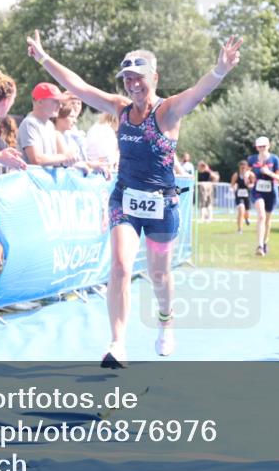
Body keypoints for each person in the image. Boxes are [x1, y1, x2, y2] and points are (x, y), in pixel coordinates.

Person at [26, 29, 242, 367]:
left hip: (161, 206)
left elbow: (198, 93)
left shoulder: (168, 111)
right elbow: (81, 87)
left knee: (159, 274)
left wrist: (221, 70)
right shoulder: (120, 109)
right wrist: (43, 58)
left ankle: (166, 320)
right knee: (121, 266)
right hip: (125, 200)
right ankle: (117, 344)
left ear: (153, 78)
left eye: (138, 78)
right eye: (127, 79)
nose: (132, 84)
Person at [18, 82, 80, 167]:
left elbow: (53, 160)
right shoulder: (29, 123)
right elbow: (37, 159)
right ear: (40, 102)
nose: (60, 105)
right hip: (32, 180)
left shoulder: (50, 125)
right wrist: (65, 157)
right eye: (55, 101)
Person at [248, 136, 279, 256]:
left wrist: (269, 173)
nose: (262, 148)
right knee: (261, 216)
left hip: (271, 192)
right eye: (260, 146)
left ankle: (264, 242)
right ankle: (259, 246)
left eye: (264, 146)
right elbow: (246, 174)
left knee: (268, 220)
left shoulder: (275, 159)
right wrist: (249, 176)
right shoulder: (252, 159)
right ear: (256, 147)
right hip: (257, 191)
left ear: (268, 146)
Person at [231, 159, 253, 232]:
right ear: (239, 167)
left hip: (247, 195)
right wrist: (234, 187)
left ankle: (246, 219)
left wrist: (250, 185)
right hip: (239, 194)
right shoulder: (236, 175)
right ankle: (240, 229)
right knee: (241, 210)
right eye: (241, 168)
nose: (243, 169)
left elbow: (253, 183)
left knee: (246, 211)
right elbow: (232, 184)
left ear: (247, 167)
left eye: (244, 167)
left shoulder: (250, 175)